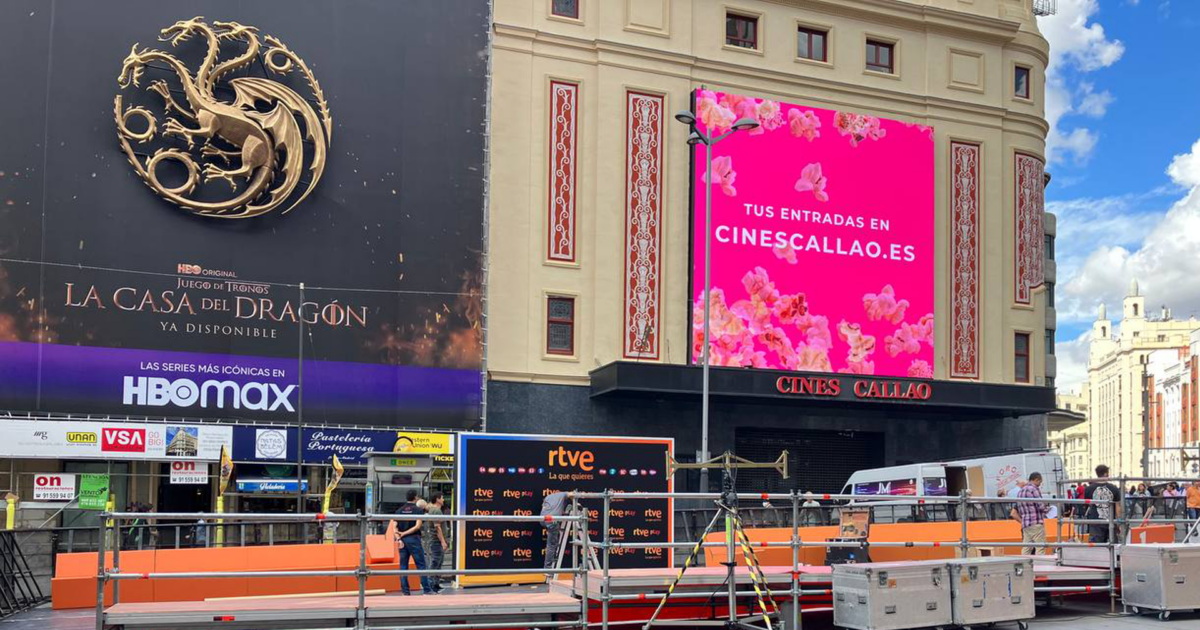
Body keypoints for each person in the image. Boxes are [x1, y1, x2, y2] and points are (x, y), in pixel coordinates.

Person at [394, 489, 433, 595]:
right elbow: (418, 526)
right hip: (414, 539)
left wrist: (399, 537)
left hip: (402, 541)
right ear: (415, 497)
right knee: (421, 565)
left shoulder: (399, 511)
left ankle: (405, 591)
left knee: (403, 566)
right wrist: (405, 533)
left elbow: (394, 528)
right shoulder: (418, 510)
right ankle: (427, 590)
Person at [1013, 472, 1048, 556]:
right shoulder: (1034, 489)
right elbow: (1040, 506)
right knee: (1040, 547)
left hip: (1025, 523)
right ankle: (1040, 566)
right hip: (1036, 522)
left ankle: (1024, 566)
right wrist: (1046, 506)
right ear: (1036, 479)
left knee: (1026, 548)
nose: (1040, 484)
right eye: (1040, 482)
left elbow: (1019, 509)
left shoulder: (1020, 492)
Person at [1083, 465, 1121, 544]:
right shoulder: (1114, 488)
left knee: (1097, 547)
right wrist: (1118, 523)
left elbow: (1087, 505)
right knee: (1113, 546)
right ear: (1105, 474)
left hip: (1095, 522)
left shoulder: (1088, 489)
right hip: (1110, 521)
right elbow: (1118, 508)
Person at [422, 493, 447, 594]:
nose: (443, 500)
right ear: (437, 499)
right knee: (435, 562)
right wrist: (443, 541)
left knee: (438, 562)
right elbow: (437, 527)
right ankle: (432, 585)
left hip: (435, 541)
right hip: (436, 541)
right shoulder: (436, 510)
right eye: (442, 498)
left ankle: (435, 584)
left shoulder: (433, 510)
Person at [541, 491, 569, 572]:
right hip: (551, 520)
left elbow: (546, 507)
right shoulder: (563, 494)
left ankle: (552, 559)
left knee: (553, 541)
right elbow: (570, 494)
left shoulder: (549, 497)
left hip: (543, 519)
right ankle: (548, 568)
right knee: (551, 544)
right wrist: (577, 499)